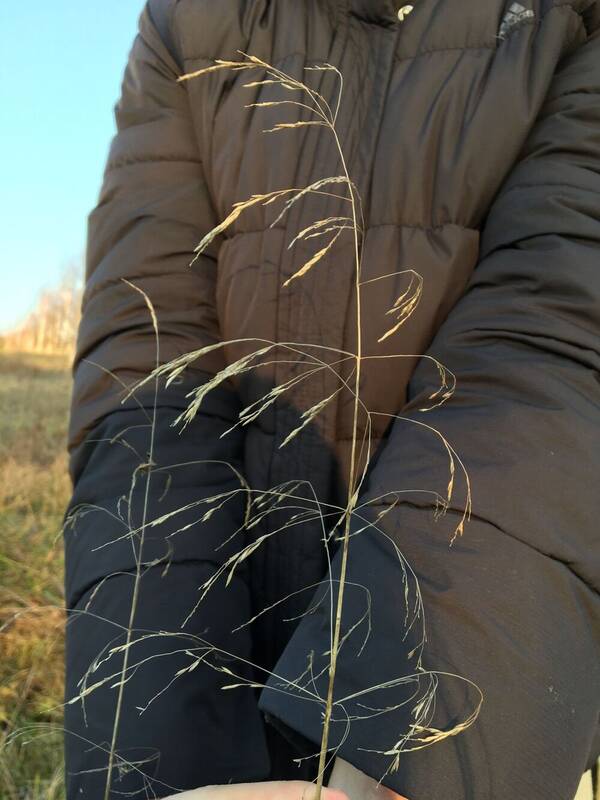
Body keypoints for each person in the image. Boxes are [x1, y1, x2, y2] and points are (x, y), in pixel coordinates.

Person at [62, 0, 600, 798]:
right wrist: (152, 768)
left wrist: (411, 757)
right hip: (227, 651)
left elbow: (558, 350)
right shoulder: (189, 20)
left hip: (494, 662)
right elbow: (147, 380)